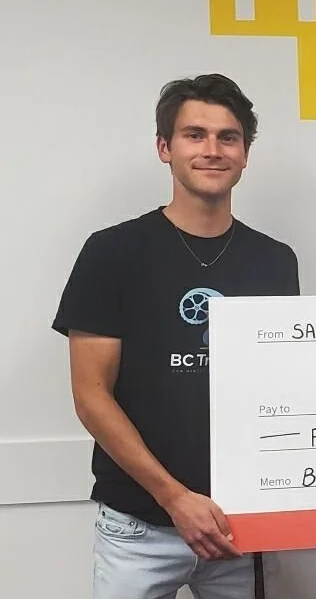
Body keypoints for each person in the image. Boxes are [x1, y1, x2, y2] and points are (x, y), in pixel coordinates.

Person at [52, 74, 300, 599]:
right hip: (139, 527)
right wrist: (174, 497)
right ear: (165, 148)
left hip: (239, 524)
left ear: (245, 154)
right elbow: (91, 395)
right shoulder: (112, 252)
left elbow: (276, 390)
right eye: (194, 135)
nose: (212, 150)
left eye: (228, 137)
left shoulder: (275, 262)